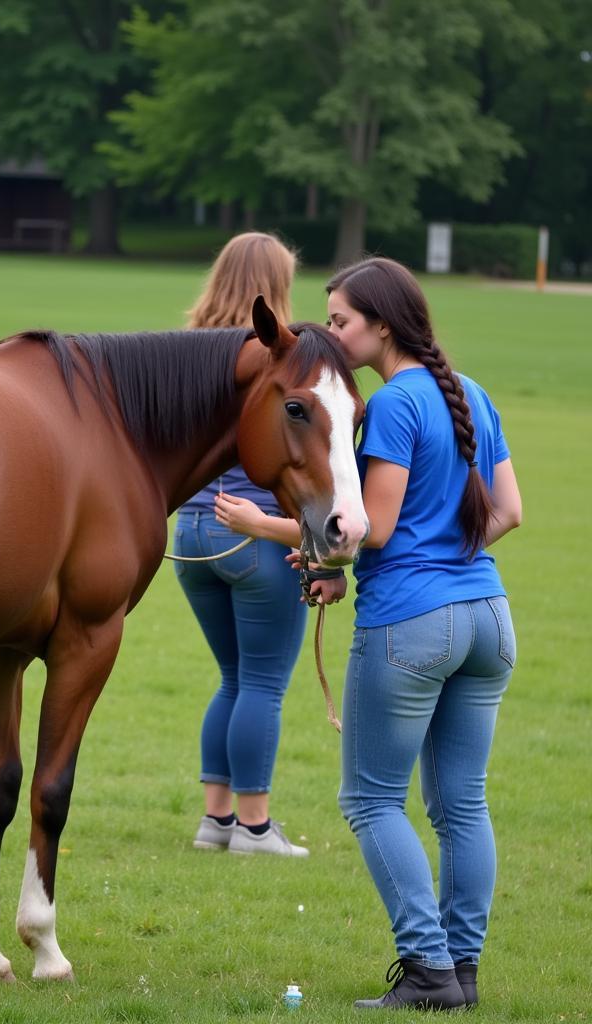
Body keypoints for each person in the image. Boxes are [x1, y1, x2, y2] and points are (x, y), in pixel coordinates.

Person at [213, 257, 522, 1011]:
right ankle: (462, 971)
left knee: (371, 800)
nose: (332, 330)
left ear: (383, 325)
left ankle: (426, 967)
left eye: (343, 319)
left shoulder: (389, 406)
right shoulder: (471, 395)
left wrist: (265, 524)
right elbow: (508, 512)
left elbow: (367, 529)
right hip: (489, 617)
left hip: (411, 628)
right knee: (461, 805)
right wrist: (432, 564)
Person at [175, 232, 309, 859]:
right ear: (276, 286)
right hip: (254, 536)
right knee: (262, 683)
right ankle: (255, 829)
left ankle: (215, 821)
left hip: (192, 533)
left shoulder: (189, 350)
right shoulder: (279, 357)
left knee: (231, 677)